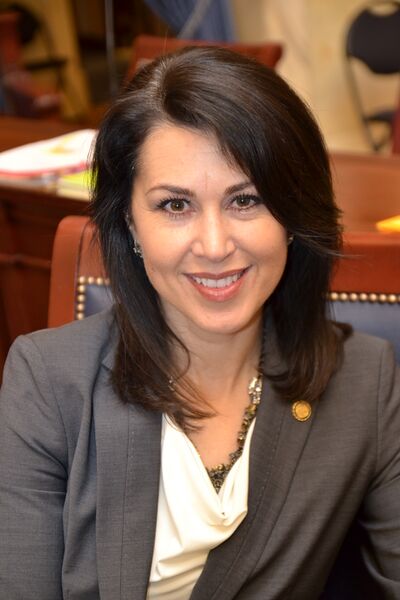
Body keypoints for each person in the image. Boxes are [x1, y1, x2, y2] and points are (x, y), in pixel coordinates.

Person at [0, 46, 399, 600]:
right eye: (175, 206)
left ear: (292, 215)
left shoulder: (365, 381)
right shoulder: (46, 381)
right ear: (129, 223)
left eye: (246, 200)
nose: (214, 246)